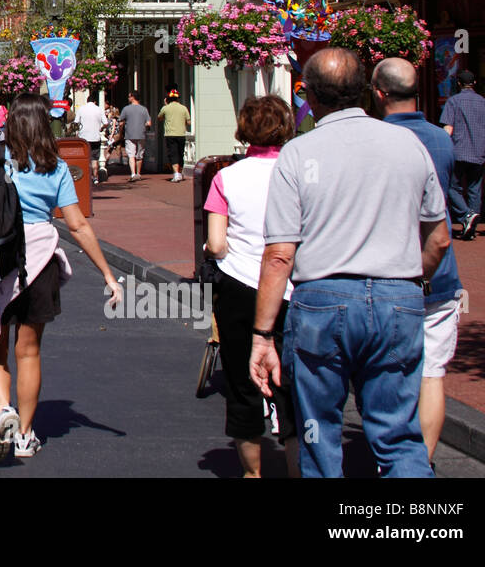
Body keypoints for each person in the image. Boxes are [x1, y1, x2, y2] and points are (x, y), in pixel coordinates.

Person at [251, 47, 449, 478]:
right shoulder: (409, 146)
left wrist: (262, 334)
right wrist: (412, 282)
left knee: (318, 430)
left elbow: (280, 253)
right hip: (398, 294)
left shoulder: (300, 153)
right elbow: (439, 240)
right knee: (398, 434)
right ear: (365, 93)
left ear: (310, 96)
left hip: (324, 298)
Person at [0, 93, 122, 461]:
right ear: (44, 124)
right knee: (28, 352)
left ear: (10, 121)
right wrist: (108, 274)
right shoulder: (55, 166)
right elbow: (76, 224)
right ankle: (26, 436)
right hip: (38, 261)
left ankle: (3, 410)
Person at [372, 58, 465, 467]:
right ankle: (420, 462)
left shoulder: (372, 140)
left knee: (387, 372)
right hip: (438, 269)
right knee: (432, 374)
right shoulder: (441, 140)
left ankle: (390, 458)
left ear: (378, 94)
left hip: (389, 268)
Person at [203, 95, 299, 478]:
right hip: (292, 288)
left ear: (244, 130)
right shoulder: (298, 174)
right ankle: (296, 468)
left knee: (243, 383)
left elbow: (218, 243)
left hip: (241, 286)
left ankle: (253, 473)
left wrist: (211, 249)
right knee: (291, 385)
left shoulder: (226, 178)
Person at [440, 69, 485, 240]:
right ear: (474, 83)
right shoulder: (484, 103)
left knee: (452, 186)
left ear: (458, 83)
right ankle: (472, 224)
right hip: (479, 152)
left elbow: (448, 129)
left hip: (459, 151)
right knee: (474, 189)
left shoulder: (453, 101)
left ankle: (465, 216)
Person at [157, 89, 191, 182]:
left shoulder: (166, 108)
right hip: (181, 134)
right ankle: (179, 173)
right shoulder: (183, 108)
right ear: (177, 98)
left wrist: (165, 106)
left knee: (173, 153)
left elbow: (159, 117)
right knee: (180, 154)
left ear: (168, 99)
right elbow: (188, 121)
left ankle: (176, 174)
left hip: (170, 134)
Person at [118, 91, 151, 181]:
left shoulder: (126, 109)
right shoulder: (144, 109)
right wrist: (143, 125)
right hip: (141, 134)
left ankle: (133, 174)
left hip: (129, 134)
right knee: (139, 155)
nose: (128, 98)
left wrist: (121, 131)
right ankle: (138, 173)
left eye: (129, 97)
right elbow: (149, 123)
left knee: (131, 155)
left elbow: (121, 121)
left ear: (132, 97)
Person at [75, 95, 105, 184]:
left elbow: (76, 122)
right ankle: (95, 177)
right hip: (95, 137)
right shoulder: (99, 109)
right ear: (95, 102)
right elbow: (106, 122)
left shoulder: (81, 109)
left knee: (85, 158)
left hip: (84, 138)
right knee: (94, 158)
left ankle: (85, 176)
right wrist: (101, 128)